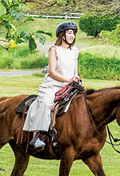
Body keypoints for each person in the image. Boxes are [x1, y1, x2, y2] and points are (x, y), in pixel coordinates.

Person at [23, 21, 81, 151]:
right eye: (69, 33)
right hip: (52, 86)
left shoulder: (74, 51)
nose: (72, 36)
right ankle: (37, 136)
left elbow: (75, 71)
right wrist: (68, 79)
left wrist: (76, 78)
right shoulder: (54, 50)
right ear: (62, 35)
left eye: (74, 34)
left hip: (69, 86)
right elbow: (52, 72)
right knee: (45, 103)